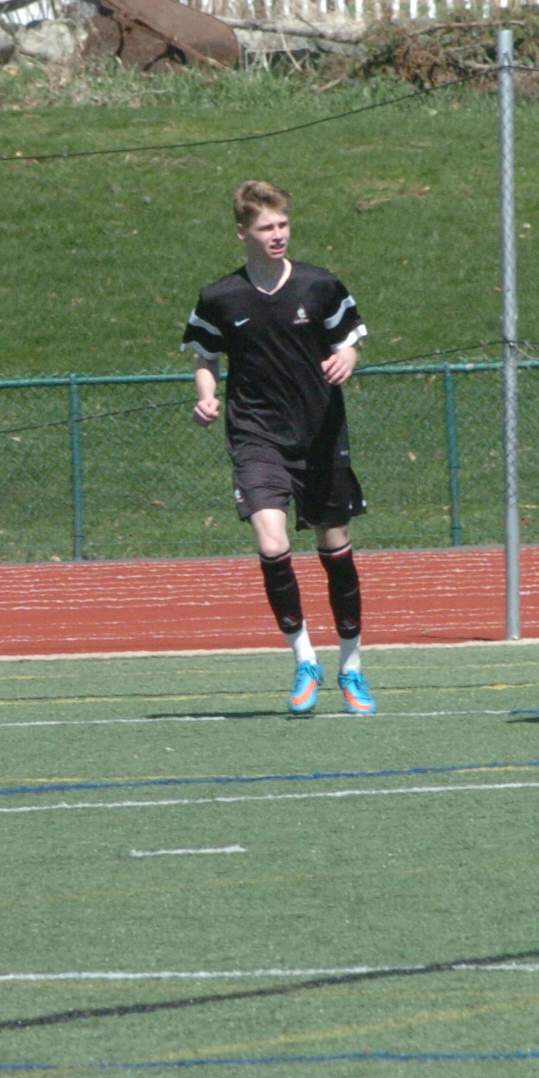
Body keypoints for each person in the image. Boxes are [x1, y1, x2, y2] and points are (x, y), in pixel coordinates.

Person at [184, 181, 375, 716]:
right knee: (272, 545)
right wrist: (206, 395)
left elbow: (350, 340)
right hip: (256, 434)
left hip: (320, 435)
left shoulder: (320, 285)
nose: (277, 235)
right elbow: (204, 356)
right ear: (242, 233)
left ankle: (352, 666)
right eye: (266, 227)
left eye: (283, 224)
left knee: (335, 549)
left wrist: (347, 359)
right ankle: (304, 659)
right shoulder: (221, 297)